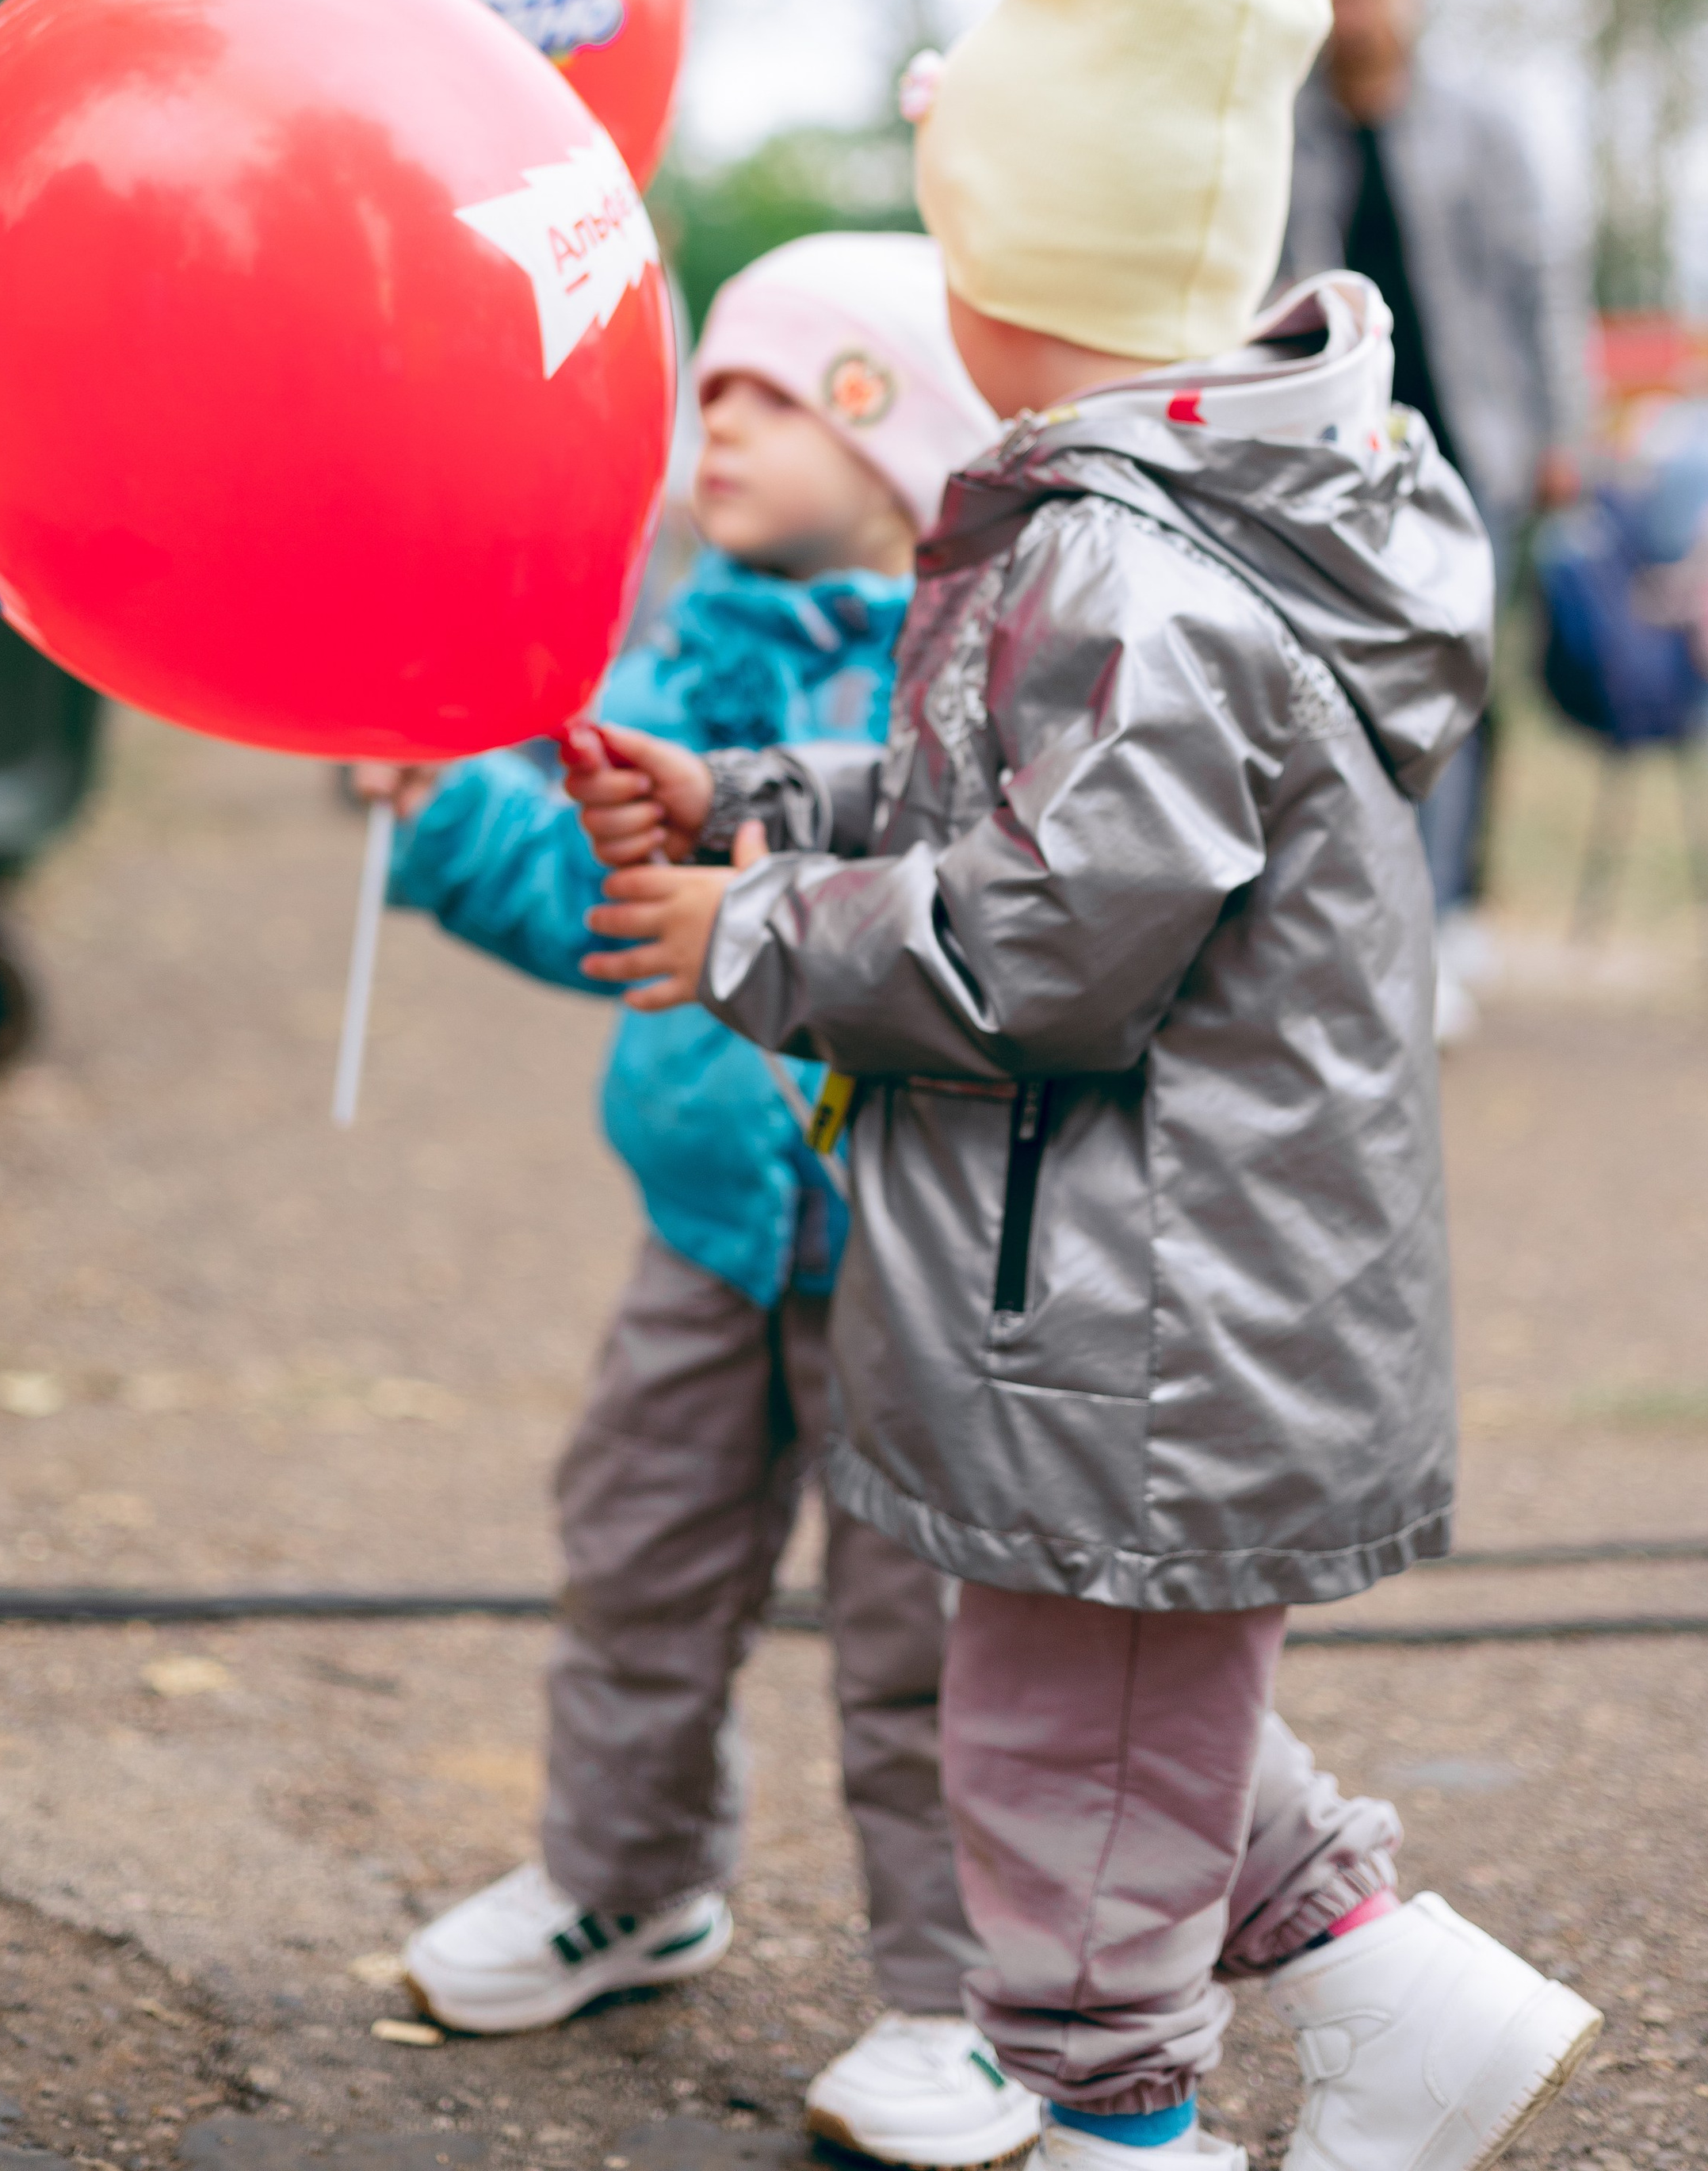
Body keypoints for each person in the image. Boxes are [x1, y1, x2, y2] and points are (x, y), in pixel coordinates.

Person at [565, 0, 1603, 2171]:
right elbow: (983, 800)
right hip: (1129, 1303)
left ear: (1017, 273)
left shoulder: (1135, 569)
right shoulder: (1123, 528)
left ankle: (1125, 2130)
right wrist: (747, 793)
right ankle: (1409, 2014)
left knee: (1064, 1785)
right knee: (1123, 1729)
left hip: (1146, 1317)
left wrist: (747, 930)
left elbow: (1042, 943)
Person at [365, 234, 1036, 2169]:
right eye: (706, 387)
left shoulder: (978, 660)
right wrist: (441, 815)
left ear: (897, 434)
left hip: (914, 1258)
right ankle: (626, 1879)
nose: (711, 423)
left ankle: (967, 1993)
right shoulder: (679, 658)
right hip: (703, 1234)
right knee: (637, 1554)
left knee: (919, 1634)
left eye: (771, 390)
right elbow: (591, 907)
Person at [1279, 0, 1589, 1032]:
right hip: (1331, 465)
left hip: (1471, 449)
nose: (1353, 10)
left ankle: (1445, 913)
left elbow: (1539, 285)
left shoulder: (1480, 130)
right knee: (1344, 699)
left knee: (1457, 693)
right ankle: (1363, 921)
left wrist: (1565, 433)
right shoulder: (1285, 131)